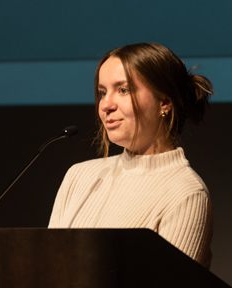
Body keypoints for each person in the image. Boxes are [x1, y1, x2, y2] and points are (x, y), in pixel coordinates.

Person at [48, 43, 215, 268]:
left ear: (163, 102)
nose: (105, 105)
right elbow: (48, 269)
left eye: (123, 90)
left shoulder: (186, 194)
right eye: (102, 92)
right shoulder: (78, 176)